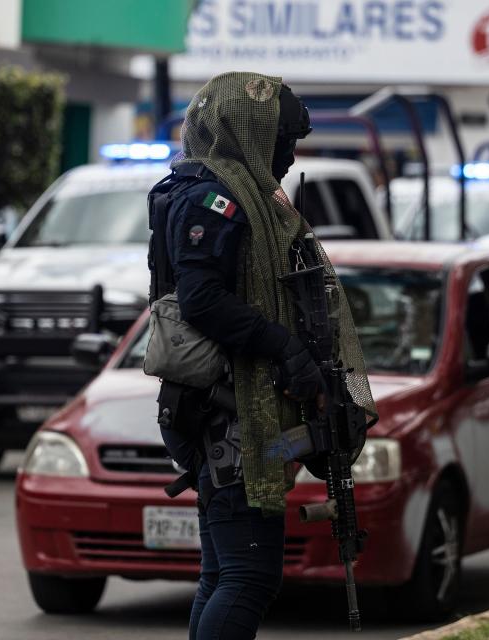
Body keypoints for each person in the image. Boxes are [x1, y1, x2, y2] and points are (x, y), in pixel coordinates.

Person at [147, 73, 375, 639]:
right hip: (230, 415)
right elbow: (202, 300)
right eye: (282, 141)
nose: (290, 157)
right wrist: (285, 349)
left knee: (223, 573)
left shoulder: (239, 194)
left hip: (234, 414)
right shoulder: (214, 198)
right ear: (247, 132)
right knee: (247, 577)